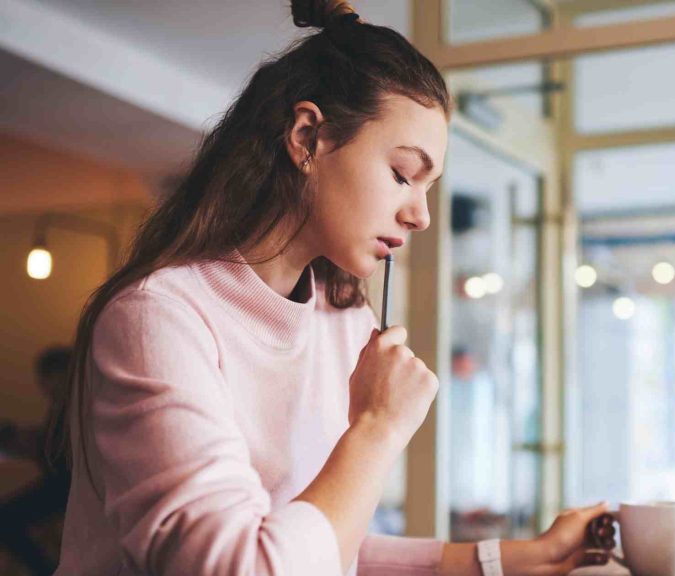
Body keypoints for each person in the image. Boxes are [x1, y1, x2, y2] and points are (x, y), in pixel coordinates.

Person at [46, 2, 609, 575]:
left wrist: (516, 558)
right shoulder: (159, 318)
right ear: (307, 136)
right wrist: (377, 427)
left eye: (428, 186)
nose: (421, 216)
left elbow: (326, 544)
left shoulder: (343, 322)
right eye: (401, 174)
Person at [0, 346, 73, 575]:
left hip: (68, 486)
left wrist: (36, 447)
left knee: (4, 518)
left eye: (49, 377)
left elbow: (63, 457)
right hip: (60, 483)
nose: (45, 385)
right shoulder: (60, 408)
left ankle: (45, 570)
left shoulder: (77, 405)